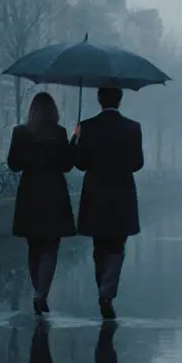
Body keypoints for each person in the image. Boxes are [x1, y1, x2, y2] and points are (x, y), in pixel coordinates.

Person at [71, 87, 144, 320]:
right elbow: (137, 163)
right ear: (120, 101)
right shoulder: (133, 128)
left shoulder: (87, 127)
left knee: (99, 245)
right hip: (122, 193)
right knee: (117, 245)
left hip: (95, 193)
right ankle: (107, 292)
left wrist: (75, 139)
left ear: (99, 100)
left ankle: (103, 288)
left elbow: (79, 163)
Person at [7, 92, 77, 315]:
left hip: (30, 194)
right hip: (54, 195)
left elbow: (13, 164)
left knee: (34, 246)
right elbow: (67, 165)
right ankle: (41, 294)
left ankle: (38, 291)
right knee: (51, 246)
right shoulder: (59, 133)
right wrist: (74, 141)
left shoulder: (20, 132)